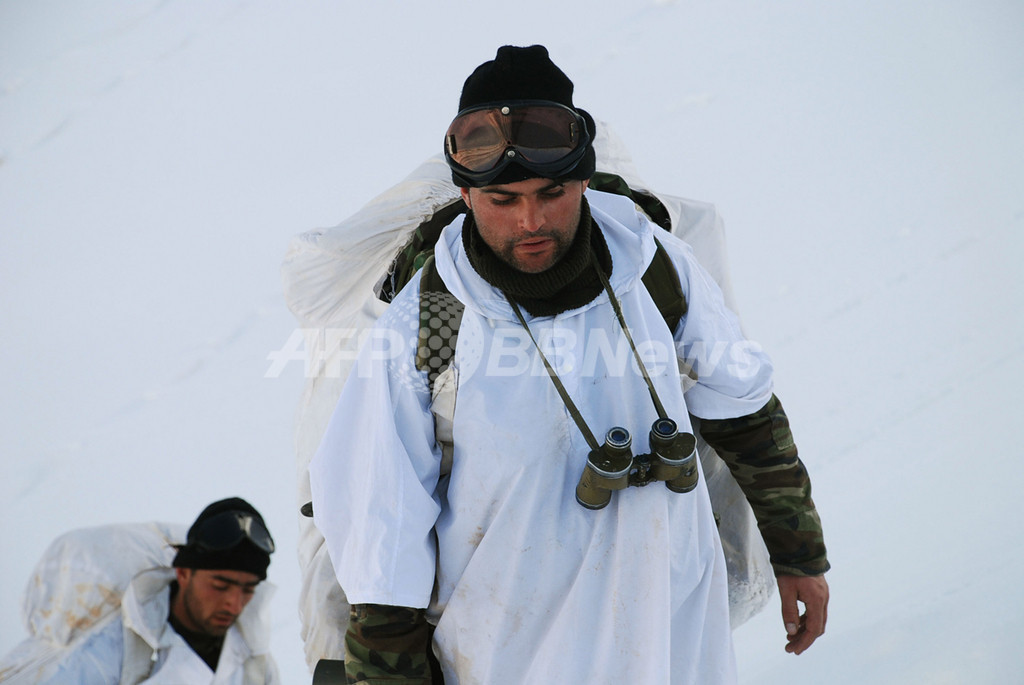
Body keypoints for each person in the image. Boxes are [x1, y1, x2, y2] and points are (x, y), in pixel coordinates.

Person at [309, 45, 829, 684]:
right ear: (467, 196)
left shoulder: (653, 265)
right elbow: (383, 536)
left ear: (584, 178)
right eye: (503, 198)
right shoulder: (434, 317)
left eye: (551, 192)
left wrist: (798, 553)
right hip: (512, 649)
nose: (530, 221)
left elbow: (744, 409)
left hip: (668, 629)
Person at [9, 497, 280, 684]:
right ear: (183, 573)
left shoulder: (253, 666)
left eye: (248, 589)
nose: (234, 604)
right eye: (220, 586)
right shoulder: (109, 649)